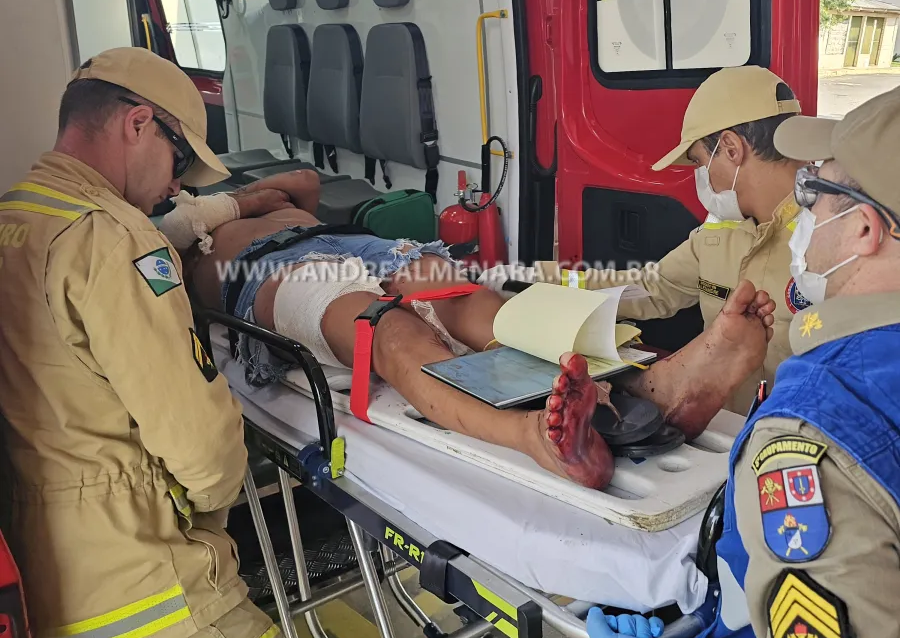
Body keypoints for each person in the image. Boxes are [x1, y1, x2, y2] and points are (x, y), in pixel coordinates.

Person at [0, 48, 328, 638]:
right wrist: (217, 495)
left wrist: (230, 207)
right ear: (139, 124)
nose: (175, 187)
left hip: (55, 600)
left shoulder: (20, 217)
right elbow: (204, 453)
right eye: (178, 162)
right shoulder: (115, 242)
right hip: (153, 601)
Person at [586, 88, 900, 638]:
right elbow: (646, 290)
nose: (804, 207)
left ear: (865, 228)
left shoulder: (815, 438)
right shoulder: (716, 238)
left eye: (819, 193)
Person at [173, 169, 775, 491]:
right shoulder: (155, 231)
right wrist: (204, 214)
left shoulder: (221, 203)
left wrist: (224, 203)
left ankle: (651, 384)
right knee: (383, 327)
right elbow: (165, 250)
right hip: (268, 271)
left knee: (469, 301)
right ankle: (530, 434)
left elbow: (303, 182)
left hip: (355, 241)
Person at [530, 65, 807, 415]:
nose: (700, 177)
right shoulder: (721, 229)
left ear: (732, 149)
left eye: (699, 162)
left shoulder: (833, 236)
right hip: (722, 431)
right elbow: (652, 288)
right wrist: (539, 279)